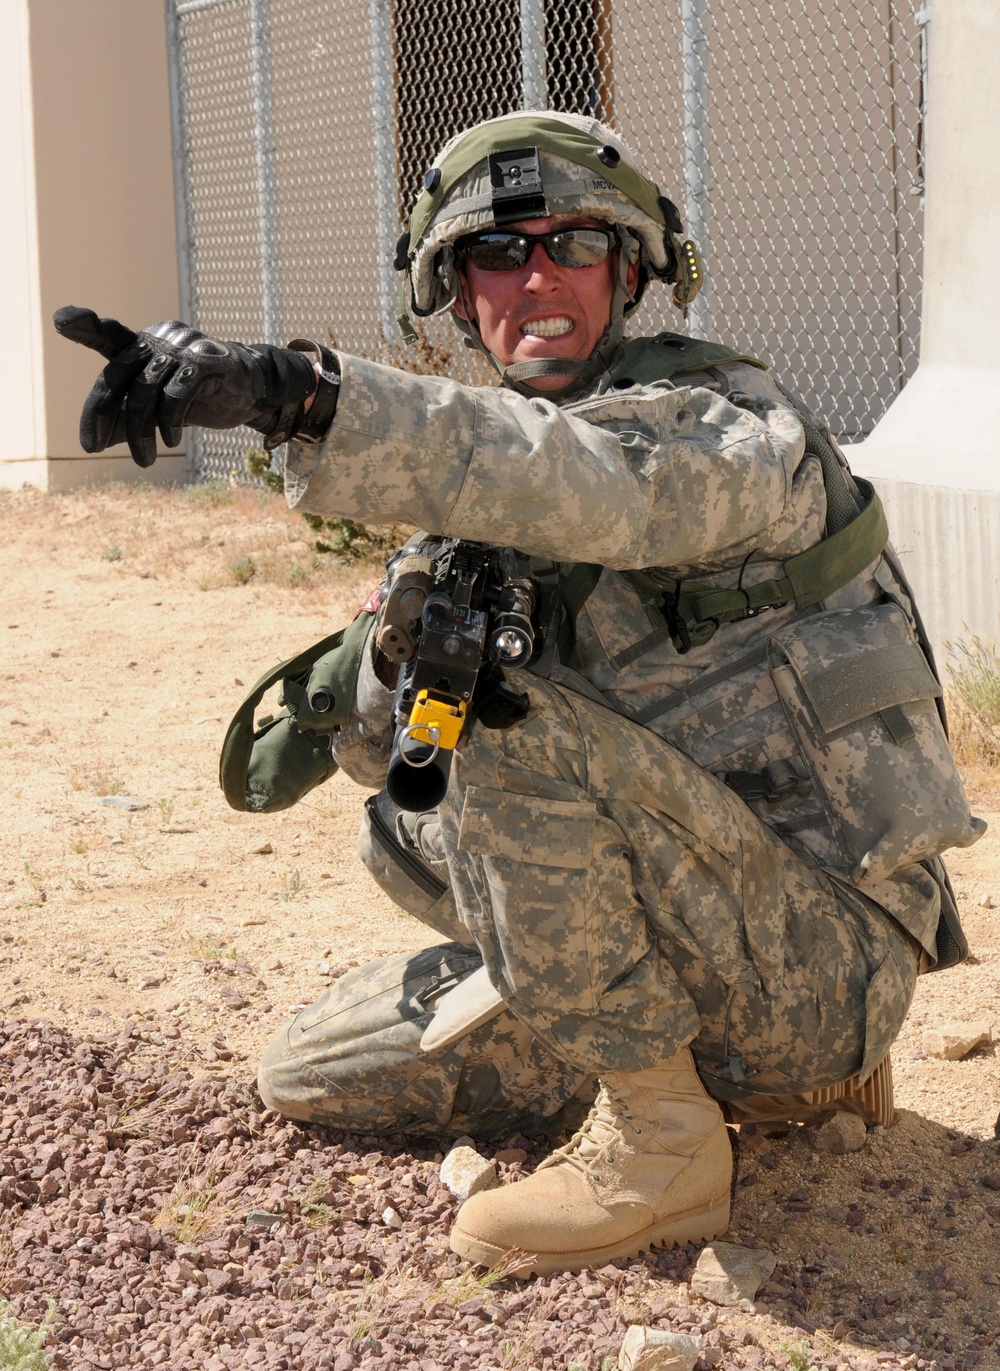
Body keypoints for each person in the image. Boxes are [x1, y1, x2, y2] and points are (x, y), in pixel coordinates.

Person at [55, 110, 983, 1278]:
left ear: (632, 269)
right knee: (306, 1067)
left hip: (821, 958)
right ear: (456, 292)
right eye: (496, 254)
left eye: (574, 247)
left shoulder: (734, 429)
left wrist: (302, 394)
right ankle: (672, 1052)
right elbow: (382, 772)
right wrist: (390, 664)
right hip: (700, 935)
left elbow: (586, 484)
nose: (535, 279)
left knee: (488, 710)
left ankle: (664, 1142)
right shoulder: (471, 506)